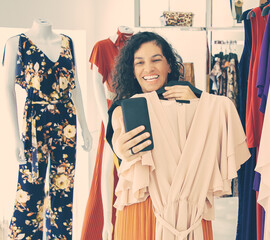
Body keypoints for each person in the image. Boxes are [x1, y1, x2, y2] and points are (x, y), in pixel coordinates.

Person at [101, 31, 214, 240]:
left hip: (187, 209)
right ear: (132, 70)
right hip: (141, 207)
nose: (149, 69)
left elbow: (221, 127)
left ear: (169, 65)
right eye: (140, 63)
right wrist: (120, 148)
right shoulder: (124, 107)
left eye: (156, 60)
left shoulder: (192, 95)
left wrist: (199, 100)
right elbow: (114, 144)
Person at [3, 18, 92, 239]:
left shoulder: (67, 42)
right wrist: (16, 139)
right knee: (30, 187)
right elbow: (6, 90)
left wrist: (85, 127)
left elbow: (75, 86)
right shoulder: (17, 43)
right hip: (35, 120)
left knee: (63, 187)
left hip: (66, 121)